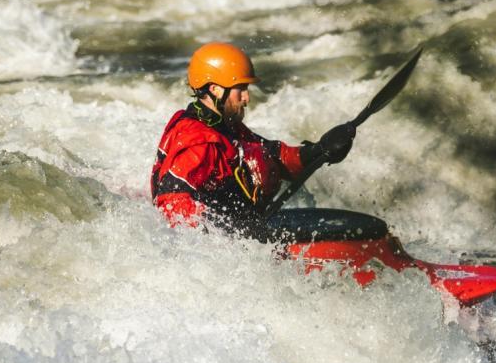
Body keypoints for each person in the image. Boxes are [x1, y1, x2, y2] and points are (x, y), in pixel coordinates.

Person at [151, 42, 355, 240]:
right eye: (240, 89)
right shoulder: (200, 142)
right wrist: (232, 233)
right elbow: (171, 203)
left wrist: (319, 151)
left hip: (247, 231)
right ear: (215, 89)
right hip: (226, 247)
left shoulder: (223, 126)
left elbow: (274, 155)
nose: (247, 98)